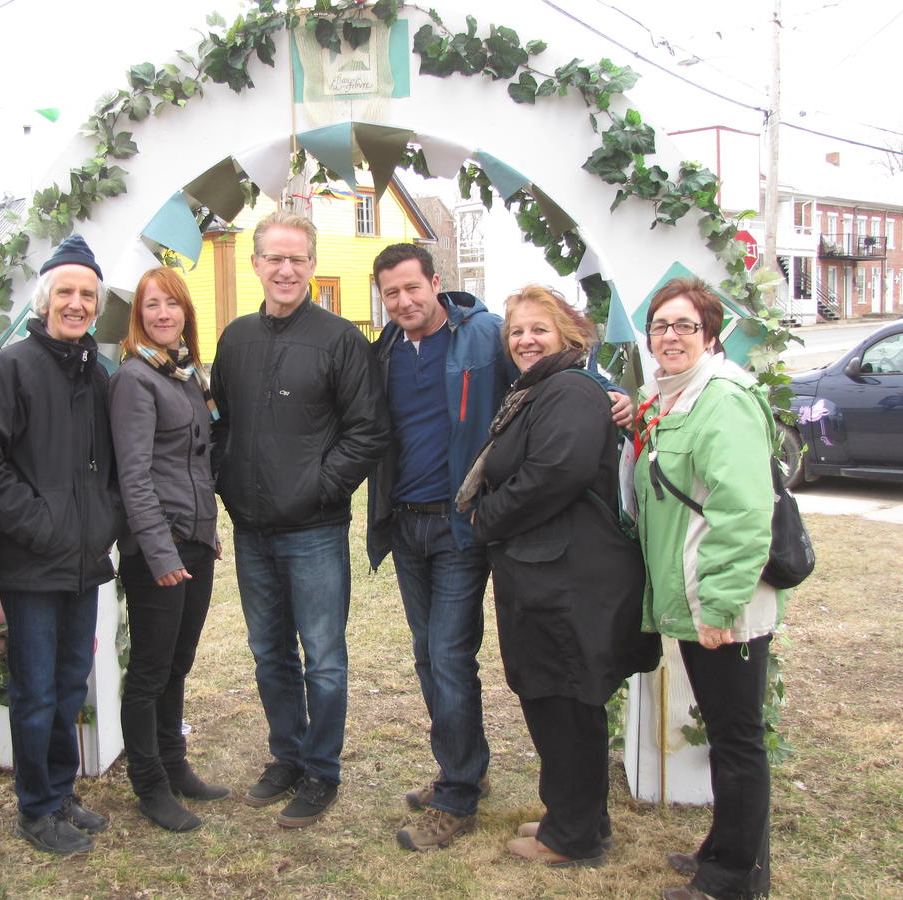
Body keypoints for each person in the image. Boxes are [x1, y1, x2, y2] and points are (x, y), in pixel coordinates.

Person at [367, 246, 634, 852]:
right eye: (391, 293)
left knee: (449, 654)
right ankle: (463, 766)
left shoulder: (485, 335)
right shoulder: (384, 349)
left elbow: (556, 367)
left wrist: (610, 390)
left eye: (412, 288)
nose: (404, 301)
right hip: (405, 523)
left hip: (461, 525)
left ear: (436, 283)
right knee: (428, 657)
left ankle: (458, 795)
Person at [457, 285, 651, 869]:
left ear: (568, 335)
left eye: (539, 328)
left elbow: (555, 473)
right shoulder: (541, 390)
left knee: (563, 701)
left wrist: (485, 516)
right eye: (516, 331)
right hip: (548, 573)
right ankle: (581, 817)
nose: (525, 340)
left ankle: (572, 838)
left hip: (565, 580)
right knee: (562, 702)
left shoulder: (568, 389)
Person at [210, 211, 390, 828]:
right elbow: (221, 422)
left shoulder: (340, 340)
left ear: (312, 265)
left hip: (314, 530)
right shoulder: (235, 339)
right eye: (274, 258)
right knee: (269, 653)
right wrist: (227, 479)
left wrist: (319, 488)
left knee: (324, 657)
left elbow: (367, 431)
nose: (285, 270)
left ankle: (321, 770)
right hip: (252, 528)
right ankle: (286, 755)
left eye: (297, 259)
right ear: (256, 263)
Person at [0, 234, 122, 856]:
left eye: (87, 295)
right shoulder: (11, 370)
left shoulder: (96, 374)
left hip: (84, 561)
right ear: (45, 299)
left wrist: (101, 523)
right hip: (32, 562)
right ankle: (35, 807)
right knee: (35, 691)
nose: (76, 304)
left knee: (70, 682)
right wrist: (40, 526)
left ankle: (60, 792)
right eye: (66, 292)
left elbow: (108, 469)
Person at [632, 277, 781, 900]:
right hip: (699, 598)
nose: (670, 336)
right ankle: (722, 849)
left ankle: (733, 877)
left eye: (685, 325)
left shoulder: (724, 399)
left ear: (710, 334)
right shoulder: (674, 398)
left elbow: (743, 512)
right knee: (724, 731)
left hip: (725, 602)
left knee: (737, 739)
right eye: (660, 326)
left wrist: (720, 605)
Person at [110, 266, 227, 833]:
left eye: (172, 304)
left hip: (195, 539)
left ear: (186, 312)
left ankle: (174, 763)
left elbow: (195, 464)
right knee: (151, 671)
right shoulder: (135, 379)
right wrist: (160, 554)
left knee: (179, 663)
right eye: (152, 304)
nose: (163, 314)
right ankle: (149, 782)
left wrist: (209, 529)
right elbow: (134, 477)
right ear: (139, 314)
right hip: (159, 548)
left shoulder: (184, 374)